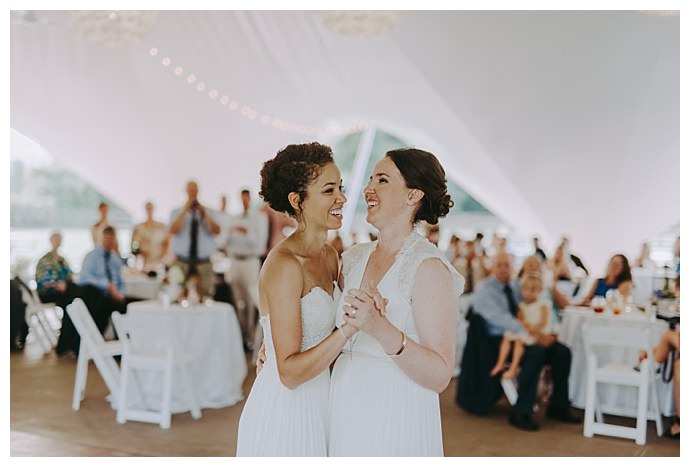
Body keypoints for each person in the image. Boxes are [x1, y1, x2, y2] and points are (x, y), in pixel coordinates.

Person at [330, 148, 464, 456]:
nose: (368, 188)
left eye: (382, 180)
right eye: (370, 179)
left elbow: (440, 374)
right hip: (342, 404)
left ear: (413, 195)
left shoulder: (428, 268)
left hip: (395, 410)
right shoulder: (351, 259)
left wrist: (381, 329)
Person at [236, 142, 355, 456]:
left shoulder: (330, 256)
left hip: (325, 401)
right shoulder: (284, 265)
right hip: (289, 409)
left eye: (340, 187)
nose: (341, 198)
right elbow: (288, 372)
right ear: (297, 200)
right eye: (328, 190)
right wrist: (348, 330)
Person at [458, 252, 579, 431]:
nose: (503, 269)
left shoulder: (516, 286)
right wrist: (538, 336)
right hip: (497, 340)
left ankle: (558, 406)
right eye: (499, 265)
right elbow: (503, 320)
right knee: (535, 353)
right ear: (492, 266)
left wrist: (547, 333)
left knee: (562, 352)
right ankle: (521, 410)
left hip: (526, 336)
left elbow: (532, 309)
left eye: (507, 265)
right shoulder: (485, 290)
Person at [225, 189, 269, 350]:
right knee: (238, 301)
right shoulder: (232, 219)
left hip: (251, 261)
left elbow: (260, 244)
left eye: (246, 199)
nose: (244, 202)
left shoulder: (259, 218)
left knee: (251, 301)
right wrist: (231, 232)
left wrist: (247, 232)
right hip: (235, 261)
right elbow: (224, 242)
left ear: (250, 199)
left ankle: (251, 337)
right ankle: (240, 336)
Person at [490, 274, 552, 380]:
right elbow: (519, 320)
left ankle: (513, 368)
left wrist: (532, 328)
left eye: (533, 290)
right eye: (526, 289)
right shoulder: (521, 306)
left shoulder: (543, 305)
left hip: (536, 333)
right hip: (524, 330)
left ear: (540, 291)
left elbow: (543, 322)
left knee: (519, 341)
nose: (528, 292)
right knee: (507, 337)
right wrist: (523, 325)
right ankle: (500, 363)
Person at [76, 226, 127, 349]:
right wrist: (106, 285)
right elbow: (83, 278)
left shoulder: (115, 259)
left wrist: (120, 293)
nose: (109, 241)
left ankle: (125, 342)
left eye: (112, 239)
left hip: (114, 295)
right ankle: (120, 344)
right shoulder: (92, 256)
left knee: (132, 305)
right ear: (101, 238)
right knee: (118, 307)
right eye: (107, 238)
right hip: (97, 296)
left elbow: (121, 281)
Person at [169, 180, 221, 296]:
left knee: (206, 295)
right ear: (186, 192)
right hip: (181, 262)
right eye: (190, 190)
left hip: (204, 263)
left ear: (198, 191)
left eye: (195, 190)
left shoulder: (209, 211)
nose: (193, 193)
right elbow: (173, 230)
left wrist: (205, 214)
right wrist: (185, 209)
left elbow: (217, 231)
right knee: (178, 295)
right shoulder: (176, 211)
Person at [35, 231, 81, 355]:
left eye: (59, 239)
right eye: (55, 239)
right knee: (71, 303)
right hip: (47, 293)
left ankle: (69, 343)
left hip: (64, 292)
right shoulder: (45, 260)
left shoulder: (63, 260)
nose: (57, 242)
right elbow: (42, 279)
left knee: (73, 301)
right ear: (51, 241)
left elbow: (70, 276)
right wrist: (57, 284)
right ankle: (65, 344)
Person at [130, 201, 169, 271]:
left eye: (150, 208)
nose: (149, 210)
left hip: (158, 261)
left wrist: (163, 255)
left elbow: (166, 242)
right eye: (147, 208)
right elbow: (133, 246)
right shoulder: (138, 227)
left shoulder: (161, 226)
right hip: (143, 262)